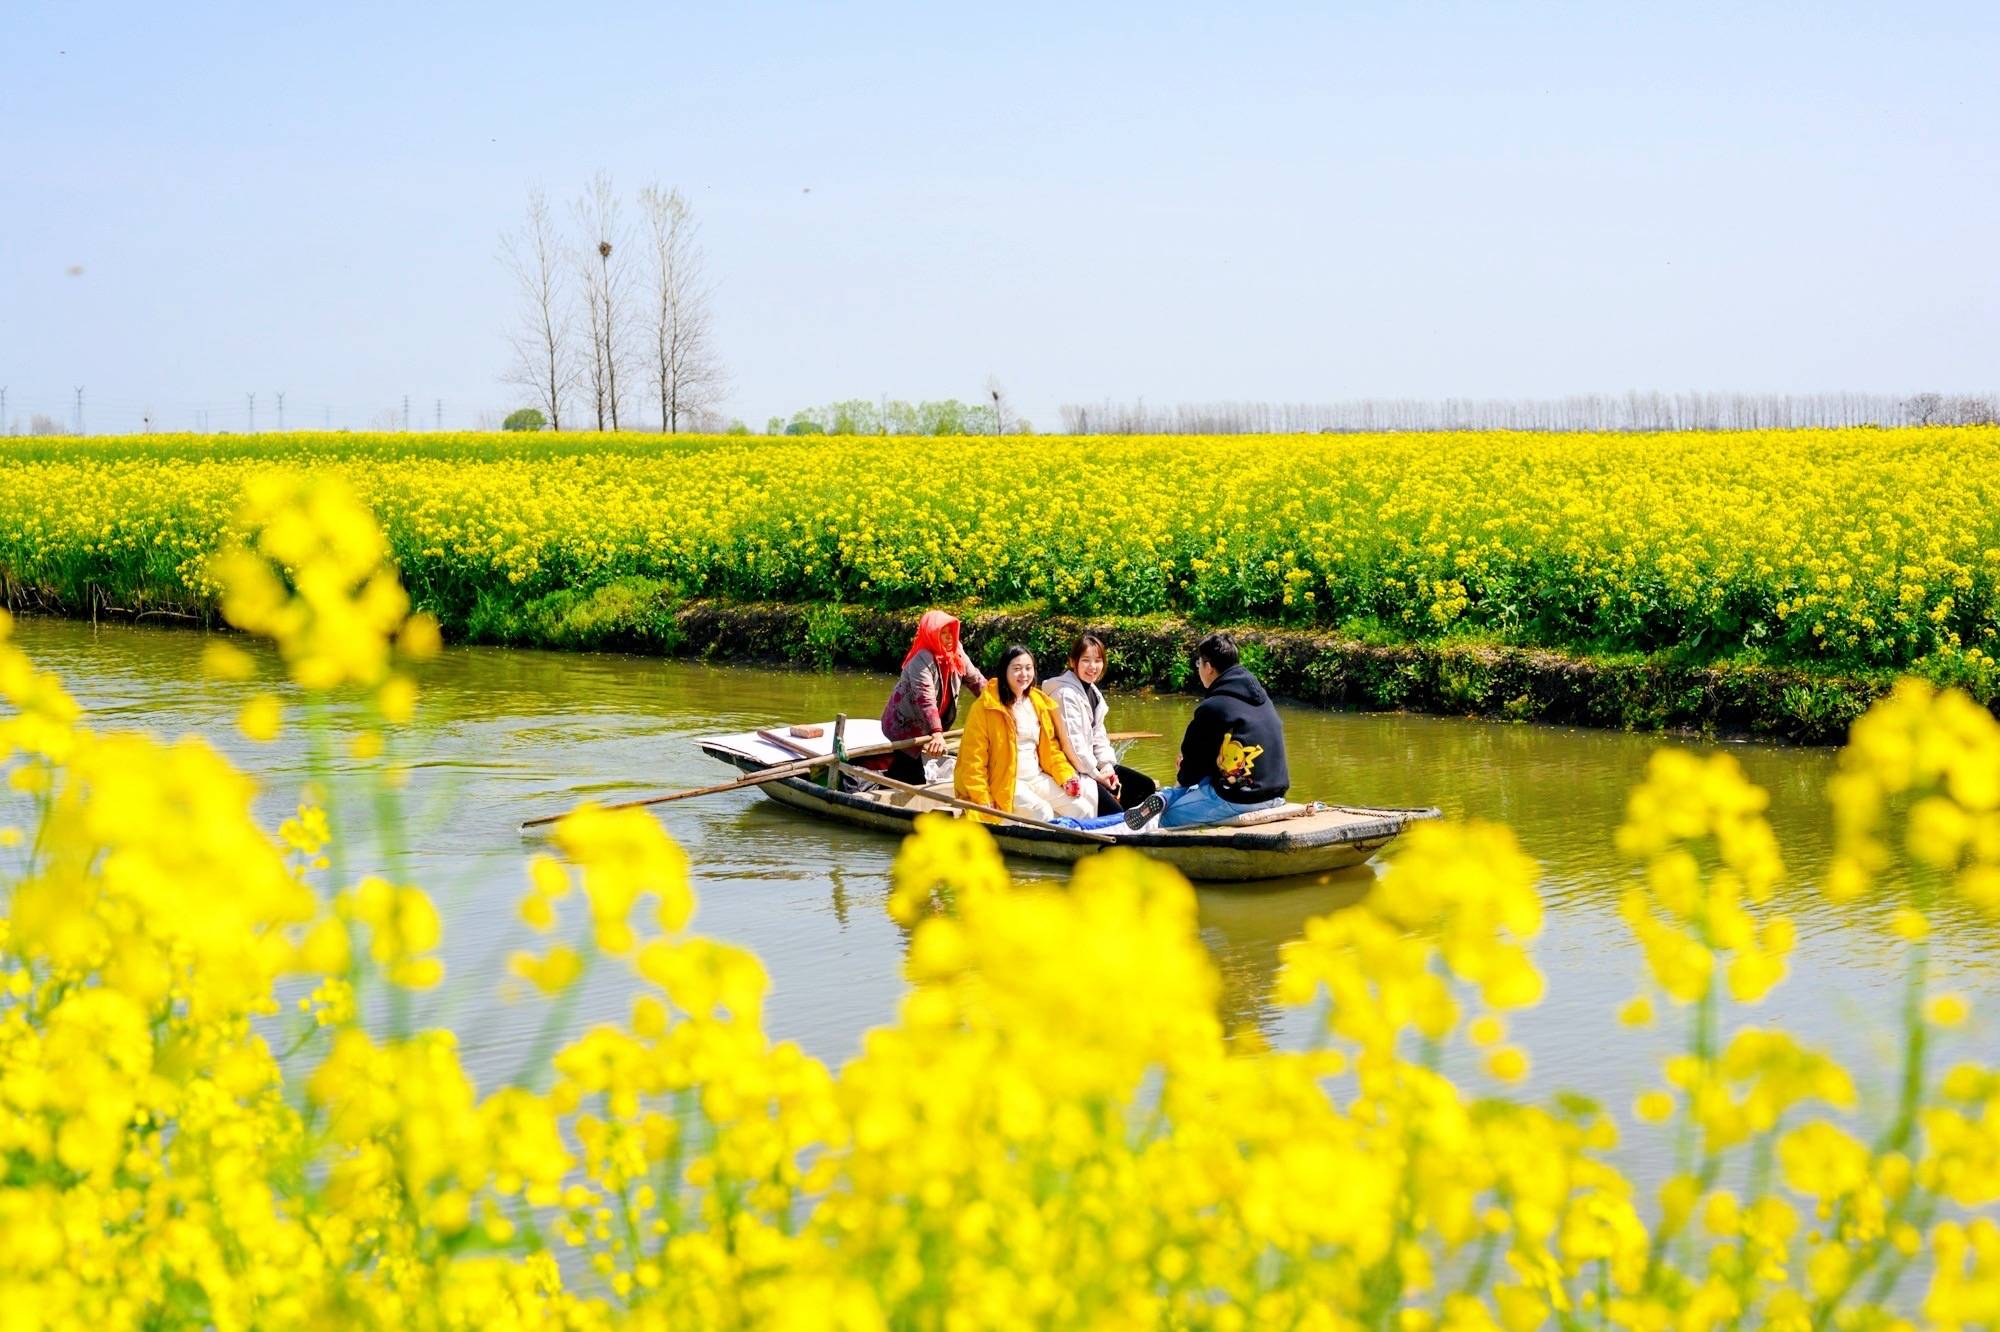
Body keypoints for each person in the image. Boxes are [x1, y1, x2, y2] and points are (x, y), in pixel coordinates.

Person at [1125, 632, 1290, 830]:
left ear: (1209, 667)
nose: (1199, 669)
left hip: (1240, 799)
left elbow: (1190, 772)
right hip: (1275, 795)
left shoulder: (1212, 707)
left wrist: (1184, 769)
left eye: (1199, 664)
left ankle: (1165, 800)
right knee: (1201, 781)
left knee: (1165, 818)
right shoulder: (1263, 700)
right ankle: (1165, 796)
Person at [956, 644, 1096, 822]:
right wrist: (981, 797)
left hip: (1036, 777)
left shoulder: (1037, 702)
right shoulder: (984, 707)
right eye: (1017, 669)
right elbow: (972, 760)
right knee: (1042, 812)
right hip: (1006, 781)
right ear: (1004, 671)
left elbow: (1052, 748)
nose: (1024, 674)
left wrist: (1066, 776)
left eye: (1028, 668)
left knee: (1083, 808)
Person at [1041, 632, 1158, 816]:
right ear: (1073, 662)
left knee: (1145, 787)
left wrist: (1107, 767)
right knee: (1115, 813)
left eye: (1098, 660)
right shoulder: (1064, 694)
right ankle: (1119, 832)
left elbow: (1099, 737)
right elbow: (1073, 747)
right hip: (1072, 769)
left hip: (1092, 767)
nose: (1092, 667)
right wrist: (1098, 776)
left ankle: (1132, 830)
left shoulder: (1093, 693)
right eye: (1086, 660)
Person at [873, 610, 983, 785]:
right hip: (904, 724)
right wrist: (937, 734)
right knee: (911, 773)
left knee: (906, 768)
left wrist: (999, 701)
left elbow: (975, 680)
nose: (949, 638)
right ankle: (886, 788)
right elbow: (926, 701)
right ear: (932, 635)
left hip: (928, 724)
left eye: (951, 633)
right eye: (943, 634)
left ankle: (892, 778)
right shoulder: (920, 660)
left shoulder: (957, 651)